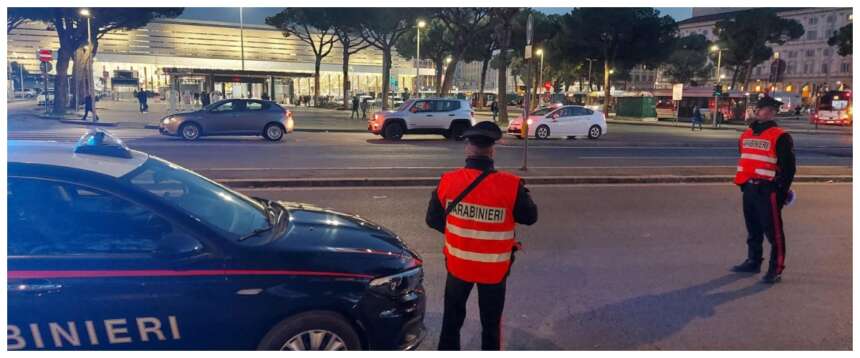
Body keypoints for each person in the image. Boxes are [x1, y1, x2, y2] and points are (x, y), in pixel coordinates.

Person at [425, 121, 538, 350]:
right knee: (491, 325)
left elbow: (432, 220)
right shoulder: (511, 185)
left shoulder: (448, 181)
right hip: (494, 271)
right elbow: (530, 217)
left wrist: (461, 230)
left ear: (468, 148)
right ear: (492, 150)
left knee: (451, 323)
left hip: (458, 267)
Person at [731, 96, 796, 284]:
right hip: (749, 188)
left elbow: (789, 169)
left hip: (768, 190)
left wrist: (780, 192)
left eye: (770, 110)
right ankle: (753, 261)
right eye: (763, 109)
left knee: (773, 233)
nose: (766, 112)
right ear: (756, 111)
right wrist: (744, 185)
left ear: (774, 113)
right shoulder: (746, 135)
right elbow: (746, 159)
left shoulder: (781, 136)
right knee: (753, 229)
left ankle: (776, 268)